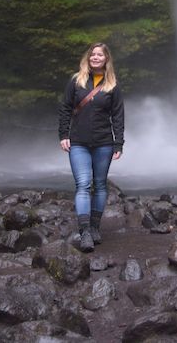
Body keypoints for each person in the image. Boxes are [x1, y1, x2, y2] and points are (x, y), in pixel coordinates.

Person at [59, 42, 124, 252]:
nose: (96, 57)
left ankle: (96, 227)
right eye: (93, 54)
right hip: (78, 142)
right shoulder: (76, 81)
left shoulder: (112, 85)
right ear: (88, 58)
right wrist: (64, 134)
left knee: (100, 184)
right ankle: (85, 231)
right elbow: (65, 108)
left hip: (104, 142)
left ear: (106, 59)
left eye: (100, 55)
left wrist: (118, 142)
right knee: (83, 184)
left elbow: (118, 115)